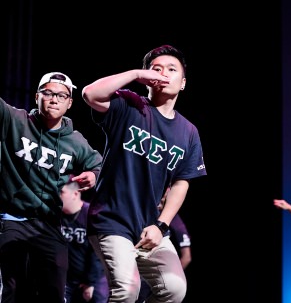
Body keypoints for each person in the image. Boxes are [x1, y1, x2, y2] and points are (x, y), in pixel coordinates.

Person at [82, 44, 207, 303]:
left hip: (150, 226)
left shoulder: (189, 132)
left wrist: (161, 225)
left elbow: (182, 182)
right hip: (111, 220)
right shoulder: (130, 104)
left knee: (174, 289)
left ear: (182, 83)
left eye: (172, 69)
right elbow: (90, 93)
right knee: (127, 290)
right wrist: (134, 74)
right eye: (155, 69)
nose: (163, 73)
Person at [0, 72, 102, 303]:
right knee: (14, 286)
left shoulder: (75, 141)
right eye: (48, 93)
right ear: (37, 96)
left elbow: (98, 165)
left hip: (48, 223)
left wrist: (94, 175)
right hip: (11, 217)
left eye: (61, 95)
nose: (54, 99)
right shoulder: (15, 120)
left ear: (69, 103)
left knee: (55, 286)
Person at [60, 178, 109, 303]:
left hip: (94, 276)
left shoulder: (91, 214)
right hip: (67, 279)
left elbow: (97, 252)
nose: (57, 196)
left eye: (62, 192)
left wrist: (90, 282)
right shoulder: (56, 217)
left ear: (75, 194)